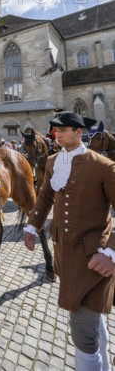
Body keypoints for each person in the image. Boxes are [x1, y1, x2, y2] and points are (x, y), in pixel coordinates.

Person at [23, 111, 115, 370]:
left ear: (78, 131)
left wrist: (111, 253)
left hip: (95, 259)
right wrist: (32, 225)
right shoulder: (52, 161)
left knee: (81, 329)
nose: (57, 134)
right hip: (64, 252)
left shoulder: (103, 166)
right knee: (92, 320)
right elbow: (45, 197)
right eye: (55, 130)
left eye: (63, 129)